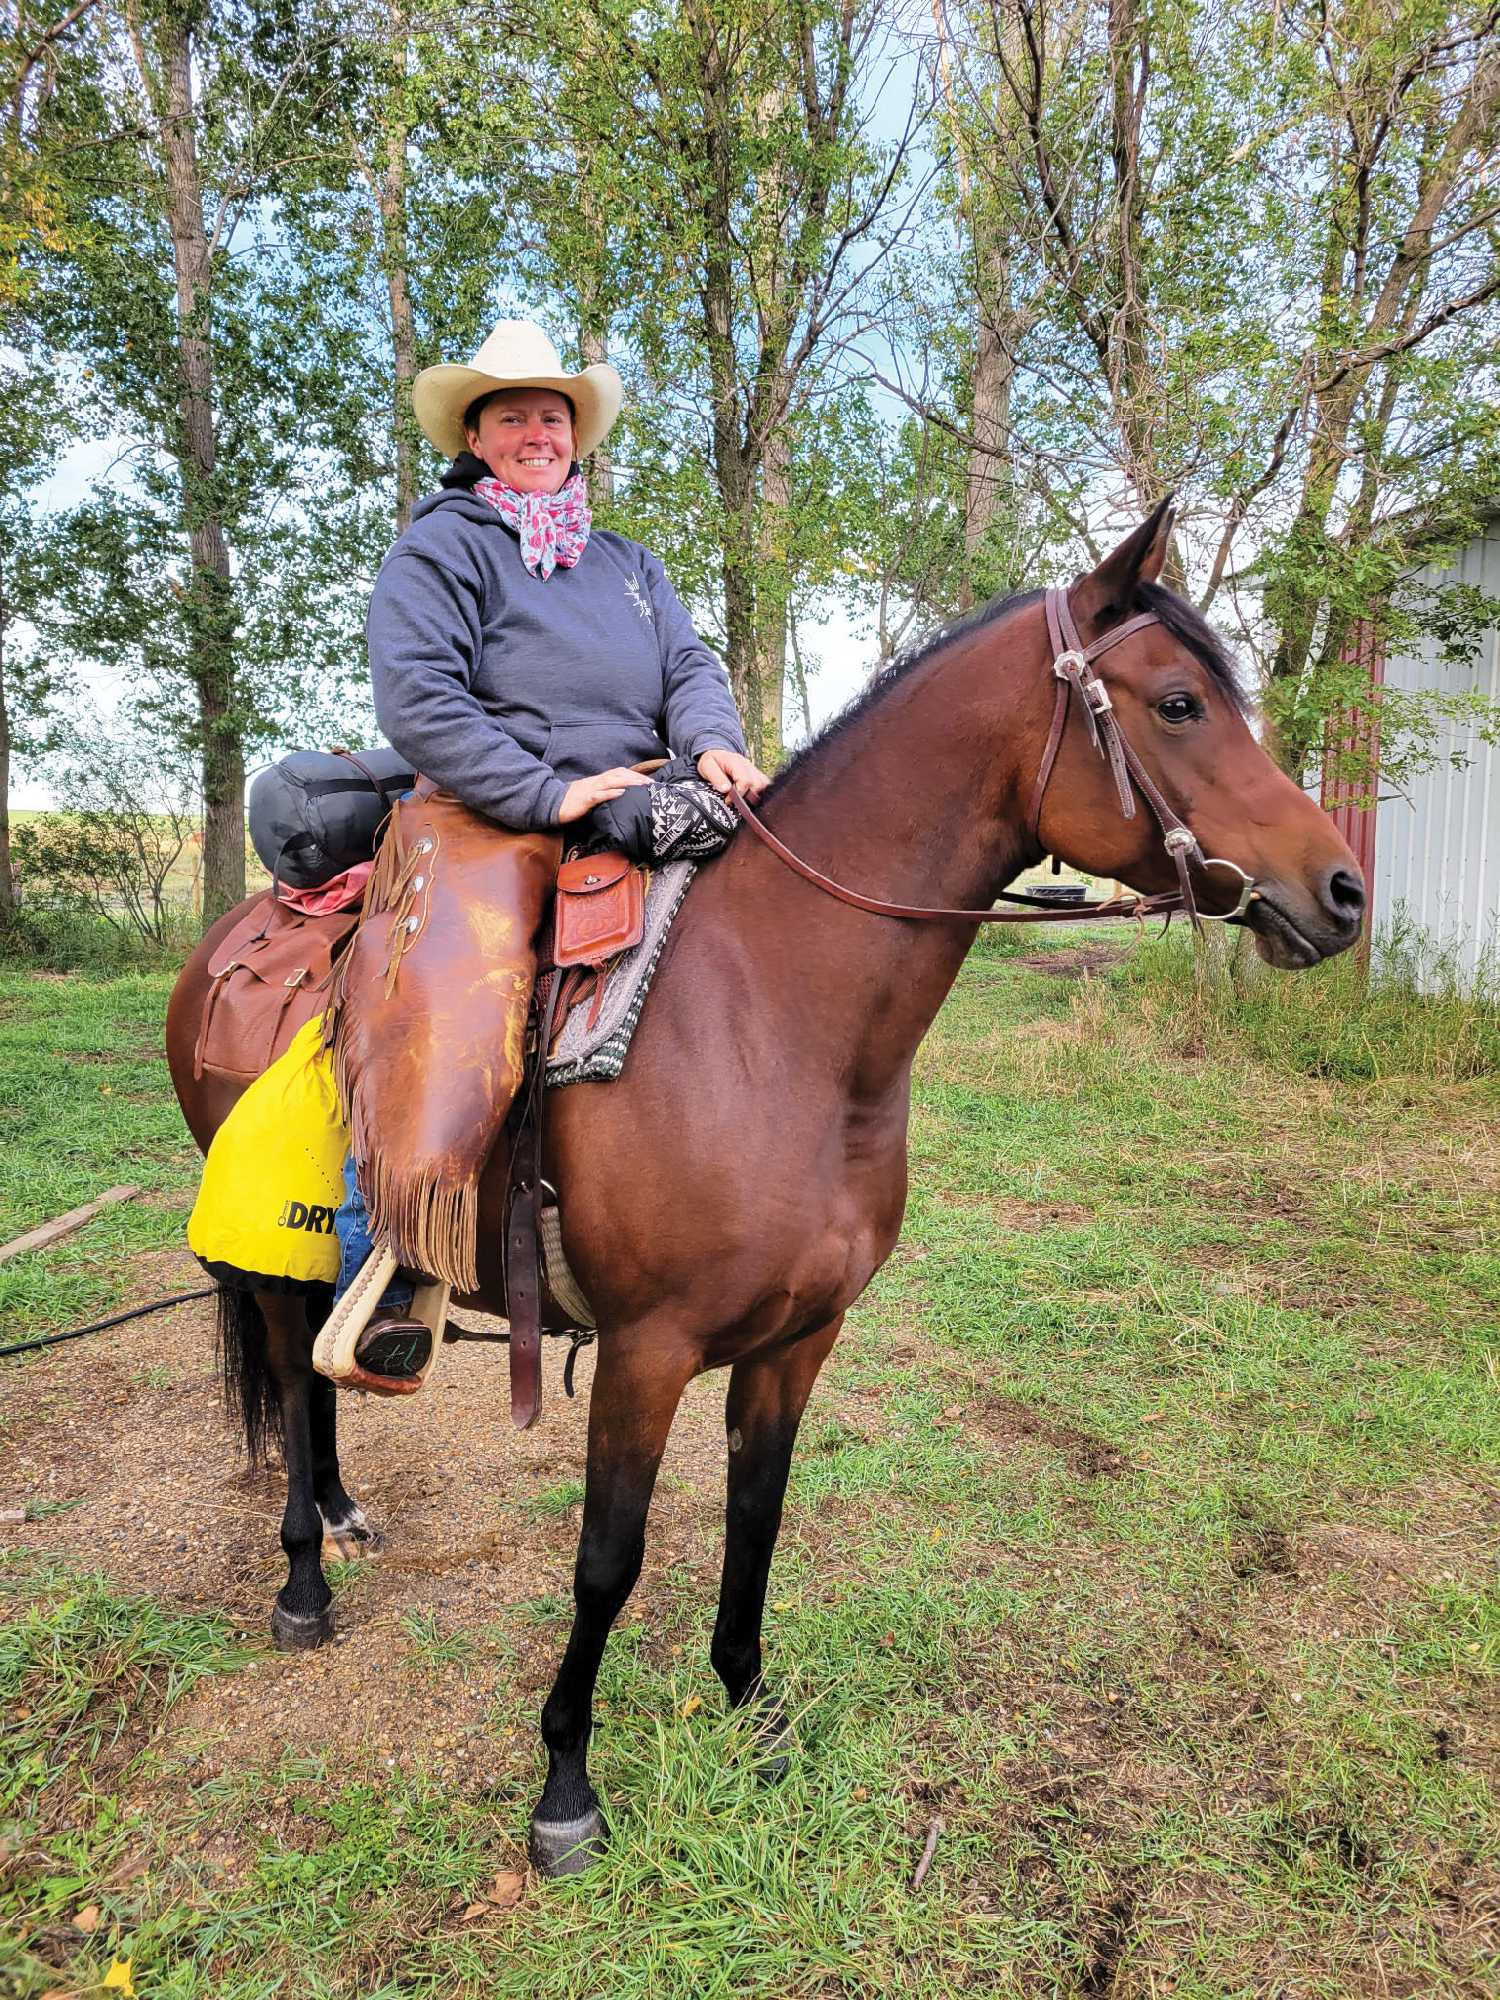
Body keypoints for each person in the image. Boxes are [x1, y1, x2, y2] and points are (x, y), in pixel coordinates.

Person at [331, 320, 769, 1387]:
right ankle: (389, 1256)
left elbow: (690, 665)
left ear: (578, 436)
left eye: (553, 414)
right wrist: (550, 791)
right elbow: (421, 699)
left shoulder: (626, 564)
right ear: (476, 434)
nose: (537, 430)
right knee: (459, 990)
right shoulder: (441, 544)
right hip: (492, 807)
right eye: (513, 414)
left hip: (640, 789)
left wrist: (713, 745)